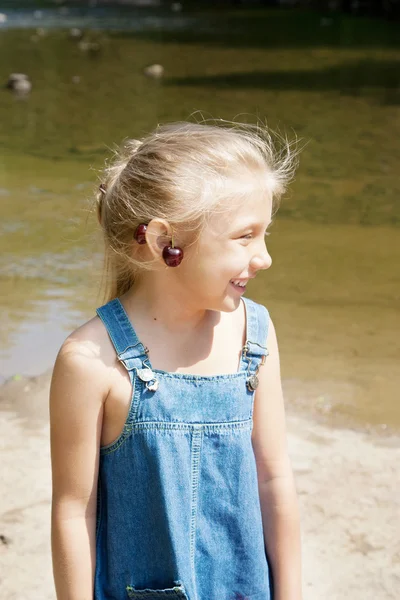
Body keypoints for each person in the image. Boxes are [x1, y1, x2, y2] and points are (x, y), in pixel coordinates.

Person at [49, 119, 303, 600]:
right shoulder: (92, 361)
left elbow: (274, 479)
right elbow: (72, 512)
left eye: (265, 233)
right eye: (245, 236)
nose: (265, 256)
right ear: (167, 243)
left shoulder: (256, 334)